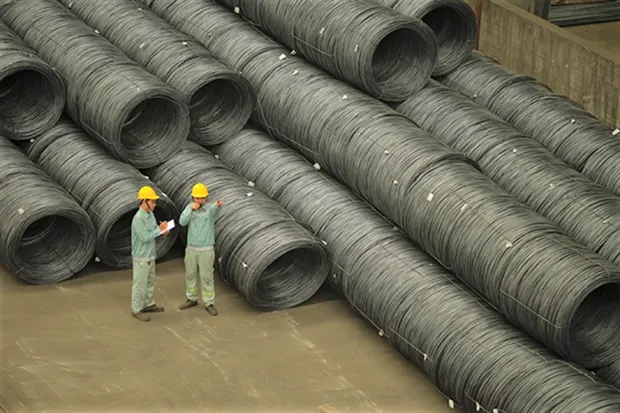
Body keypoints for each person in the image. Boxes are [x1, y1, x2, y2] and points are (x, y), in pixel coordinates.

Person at [178, 182, 223, 315]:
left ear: (206, 198)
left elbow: (216, 208)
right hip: (191, 249)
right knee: (190, 275)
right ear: (193, 198)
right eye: (197, 198)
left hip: (206, 250)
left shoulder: (209, 210)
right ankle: (191, 298)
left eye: (202, 198)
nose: (199, 200)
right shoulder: (189, 209)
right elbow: (182, 221)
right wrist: (191, 209)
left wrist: (218, 205)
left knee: (206, 276)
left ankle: (209, 302)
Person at [131, 185, 169, 322]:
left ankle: (148, 304)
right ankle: (136, 309)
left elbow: (153, 229)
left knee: (149, 281)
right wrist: (159, 230)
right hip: (141, 257)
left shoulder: (150, 215)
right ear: (144, 201)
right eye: (153, 201)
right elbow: (145, 237)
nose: (154, 204)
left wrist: (162, 228)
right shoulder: (138, 219)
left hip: (150, 255)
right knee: (140, 284)